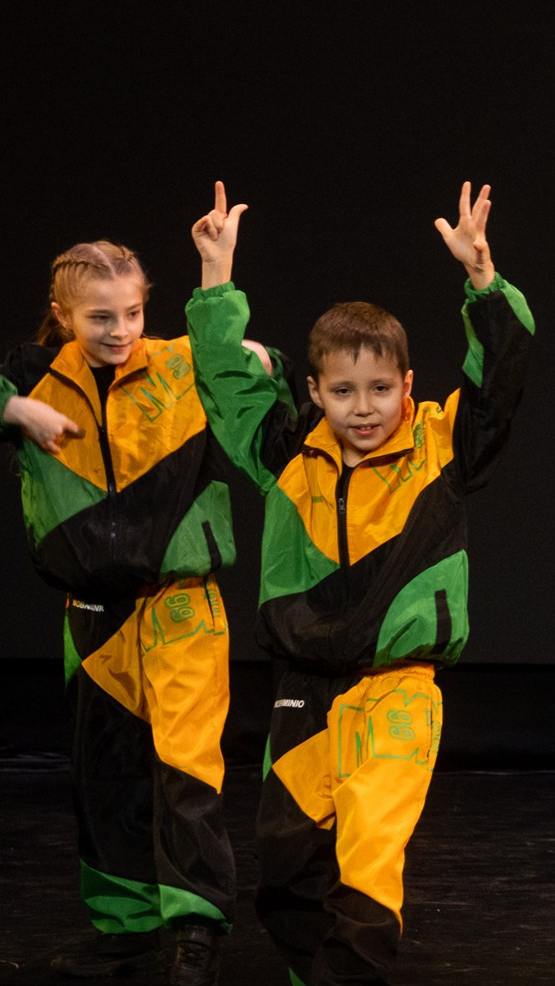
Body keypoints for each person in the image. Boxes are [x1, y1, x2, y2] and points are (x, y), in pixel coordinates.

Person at [184, 180, 534, 985]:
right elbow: (226, 383)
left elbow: (504, 375)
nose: (364, 408)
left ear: (409, 384)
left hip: (398, 691)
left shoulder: (442, 448)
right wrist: (216, 276)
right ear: (313, 392)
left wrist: (483, 277)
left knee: (369, 861)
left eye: (381, 389)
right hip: (304, 689)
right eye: (343, 391)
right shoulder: (286, 452)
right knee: (287, 873)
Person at [0, 219, 267, 984]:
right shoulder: (32, 372)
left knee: (185, 772)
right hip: (92, 616)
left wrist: (220, 276)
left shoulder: (185, 366)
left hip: (181, 606)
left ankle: (192, 924)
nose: (120, 330)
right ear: (63, 315)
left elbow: (262, 372)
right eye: (99, 316)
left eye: (133, 313)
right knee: (107, 773)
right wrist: (17, 411)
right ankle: (125, 921)